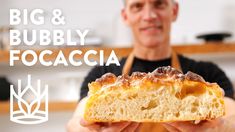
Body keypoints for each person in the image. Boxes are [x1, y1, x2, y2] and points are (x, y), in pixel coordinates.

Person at [67, 0, 235, 131]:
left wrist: (220, 128)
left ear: (174, 11)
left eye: (159, 4)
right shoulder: (103, 75)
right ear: (125, 16)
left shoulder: (208, 75)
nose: (149, 15)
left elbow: (232, 119)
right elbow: (75, 124)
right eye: (138, 6)